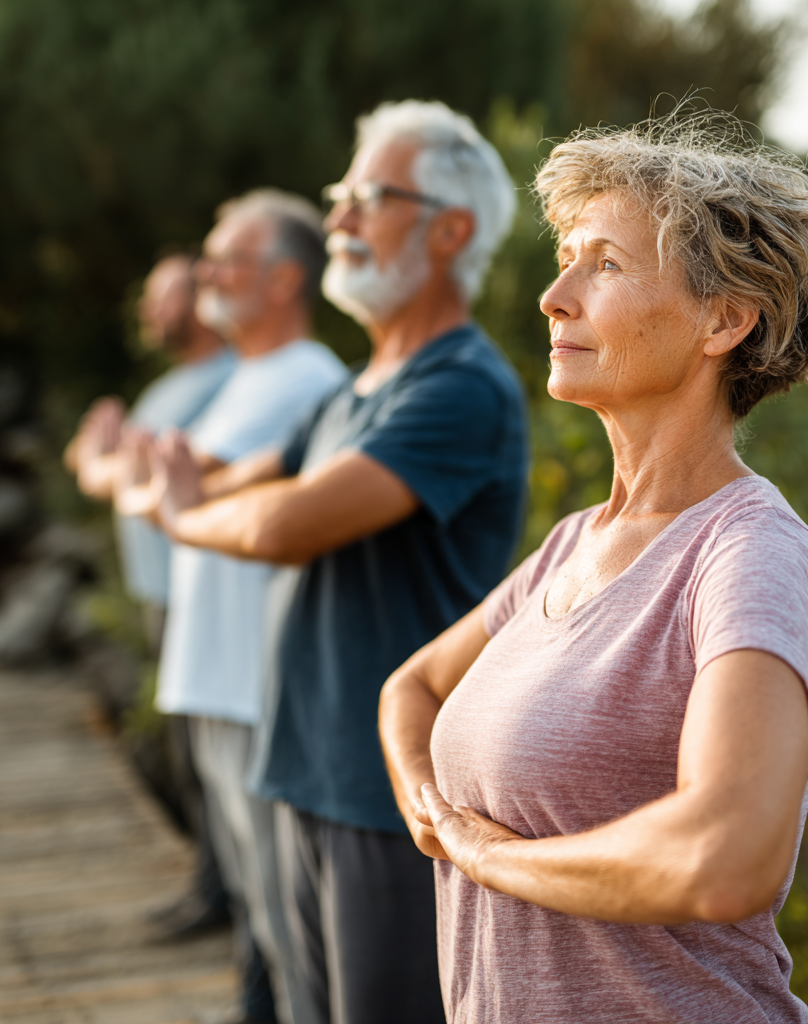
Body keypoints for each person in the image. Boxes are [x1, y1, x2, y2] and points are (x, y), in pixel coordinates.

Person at [378, 115, 808, 1024]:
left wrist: (487, 859)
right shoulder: (571, 544)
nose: (554, 297)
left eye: (603, 264)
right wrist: (434, 819)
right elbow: (409, 689)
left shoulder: (749, 551)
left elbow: (727, 855)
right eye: (565, 259)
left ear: (724, 319)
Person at [143, 100, 528, 1024]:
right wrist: (173, 479)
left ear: (452, 230)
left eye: (368, 197)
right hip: (300, 764)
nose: (340, 221)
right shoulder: (353, 392)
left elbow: (287, 524)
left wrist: (181, 514)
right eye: (339, 196)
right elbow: (247, 483)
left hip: (385, 791)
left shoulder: (460, 387)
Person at [120, 189, 348, 1024]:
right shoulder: (249, 375)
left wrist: (155, 481)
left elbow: (158, 484)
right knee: (257, 900)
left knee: (288, 919)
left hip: (259, 678)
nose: (207, 273)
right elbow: (161, 483)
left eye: (226, 259)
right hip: (219, 674)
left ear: (285, 279)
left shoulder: (306, 378)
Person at [64, 253, 237, 939]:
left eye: (162, 298)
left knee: (204, 755)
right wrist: (97, 458)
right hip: (158, 593)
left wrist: (95, 457)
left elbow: (117, 474)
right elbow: (106, 469)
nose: (147, 312)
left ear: (199, 303)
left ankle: (220, 896)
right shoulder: (175, 385)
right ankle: (209, 883)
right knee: (186, 751)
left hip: (193, 597)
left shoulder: (221, 383)